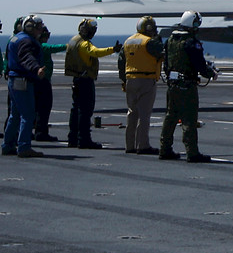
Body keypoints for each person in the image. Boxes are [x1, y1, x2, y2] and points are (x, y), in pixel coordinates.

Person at [159, 11, 217, 163]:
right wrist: (211, 73)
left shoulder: (170, 40)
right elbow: (200, 65)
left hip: (172, 84)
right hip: (186, 85)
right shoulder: (191, 42)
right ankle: (192, 152)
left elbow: (166, 63)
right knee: (189, 119)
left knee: (170, 116)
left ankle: (164, 149)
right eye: (197, 24)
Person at [64, 18, 121, 149]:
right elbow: (95, 52)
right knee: (85, 111)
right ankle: (84, 139)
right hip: (85, 80)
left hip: (77, 78)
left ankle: (72, 138)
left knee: (76, 110)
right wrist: (113, 49)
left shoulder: (73, 40)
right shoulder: (84, 44)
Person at [2, 15, 46, 158]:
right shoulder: (27, 41)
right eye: (38, 26)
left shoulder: (15, 38)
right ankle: (24, 147)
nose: (41, 29)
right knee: (28, 115)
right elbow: (26, 57)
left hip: (13, 79)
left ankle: (8, 145)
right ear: (31, 27)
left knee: (15, 115)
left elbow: (9, 58)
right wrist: (36, 69)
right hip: (23, 79)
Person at [118, 16, 164, 154]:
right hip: (146, 79)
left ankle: (129, 145)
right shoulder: (150, 42)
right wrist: (158, 39)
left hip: (130, 79)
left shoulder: (128, 41)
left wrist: (124, 80)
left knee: (131, 113)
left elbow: (121, 62)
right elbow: (162, 53)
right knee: (144, 115)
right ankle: (142, 145)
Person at [34, 26, 67, 142]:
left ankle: (37, 131)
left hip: (39, 80)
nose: (47, 38)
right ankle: (41, 132)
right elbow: (53, 48)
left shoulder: (35, 46)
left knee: (37, 108)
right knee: (44, 107)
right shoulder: (41, 46)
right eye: (46, 36)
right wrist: (68, 46)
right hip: (43, 81)